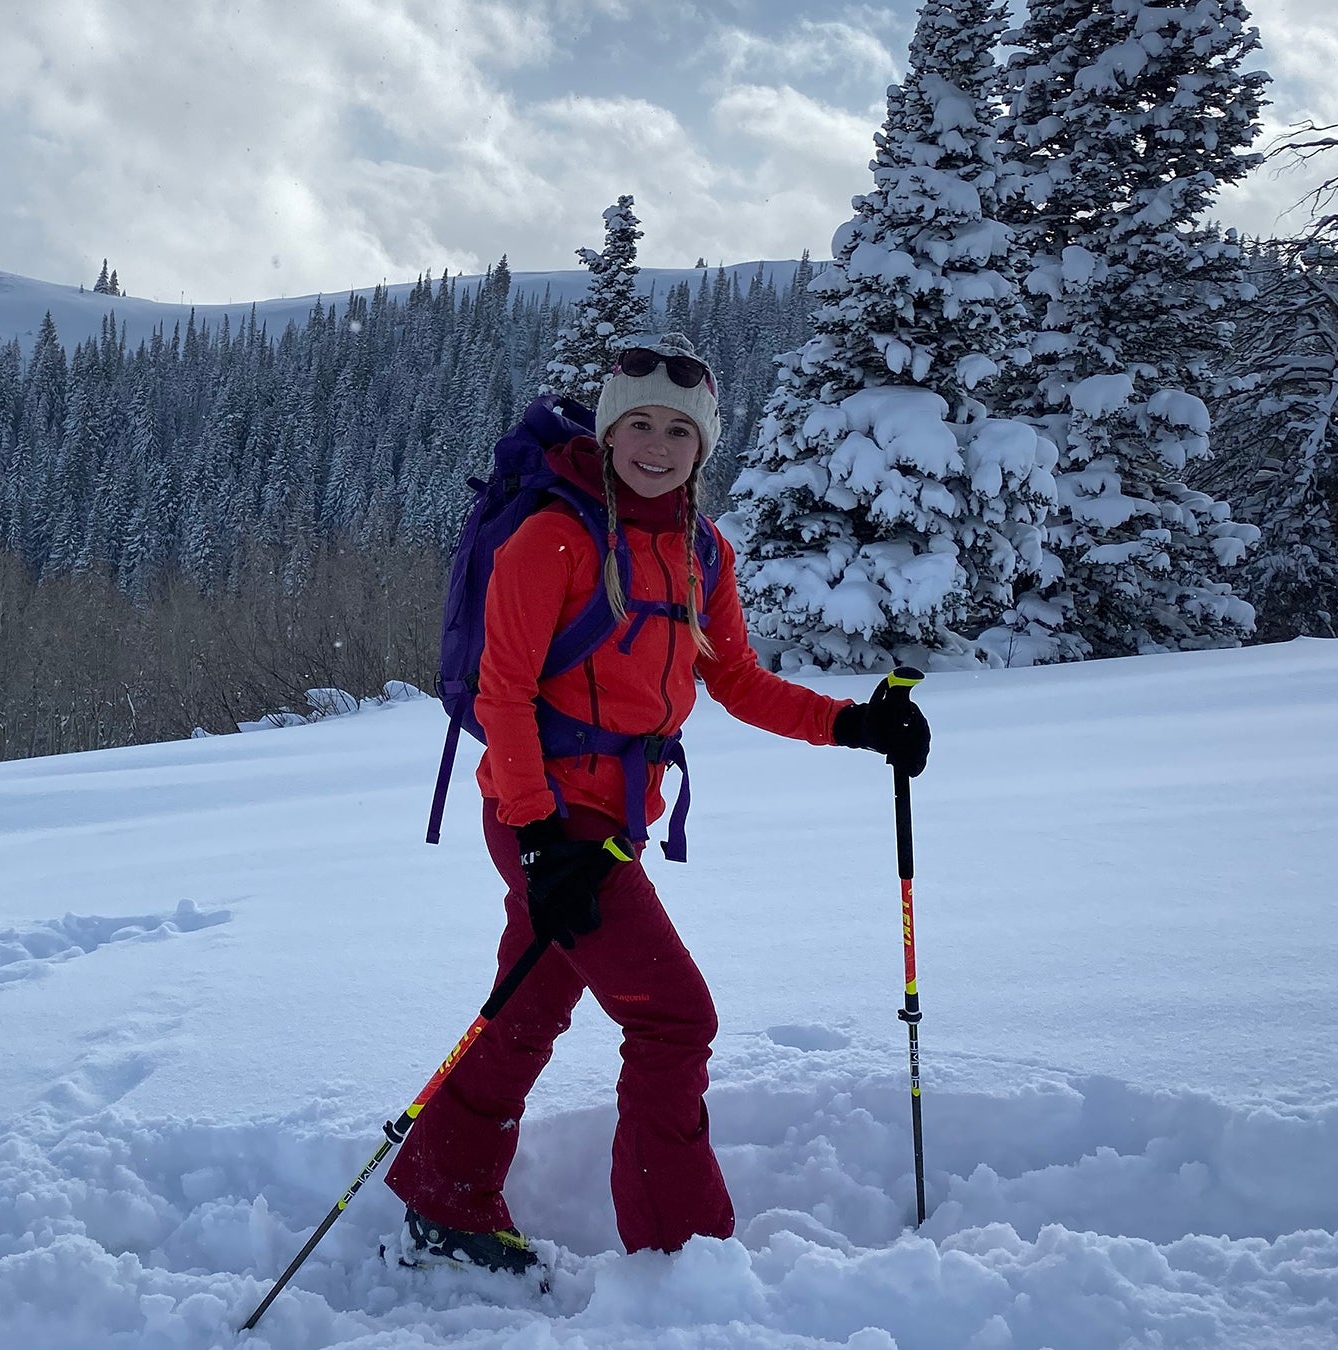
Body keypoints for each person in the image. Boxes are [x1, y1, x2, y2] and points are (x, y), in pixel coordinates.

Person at [386, 332, 931, 1274]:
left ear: (703, 445)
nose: (657, 445)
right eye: (638, 423)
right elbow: (502, 694)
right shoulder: (549, 539)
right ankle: (681, 1251)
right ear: (607, 433)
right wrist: (539, 838)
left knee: (529, 1003)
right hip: (545, 814)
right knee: (675, 1019)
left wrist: (853, 725)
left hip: (615, 823)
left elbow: (739, 680)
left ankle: (446, 1194)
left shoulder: (701, 550)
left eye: (679, 430)